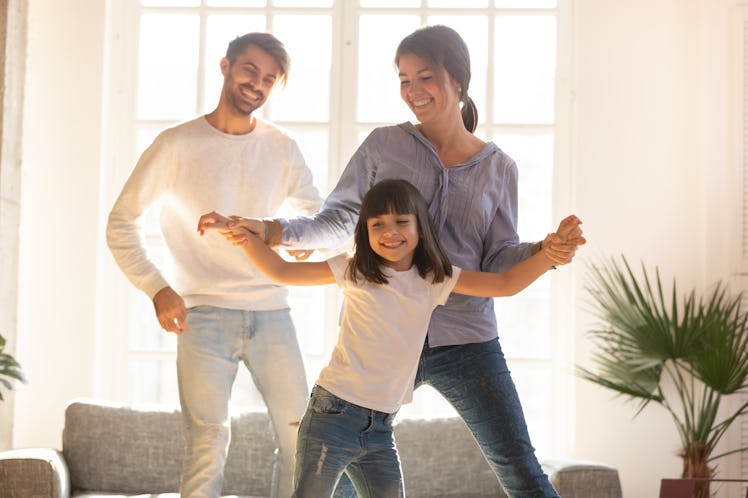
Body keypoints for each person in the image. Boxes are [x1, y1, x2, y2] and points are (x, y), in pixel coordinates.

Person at [199, 24, 586, 498]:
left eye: (425, 77)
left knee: (519, 467)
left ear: (457, 80)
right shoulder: (385, 146)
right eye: (404, 79)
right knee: (339, 469)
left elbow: (499, 260)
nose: (413, 91)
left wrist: (546, 252)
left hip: (466, 340)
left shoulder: (498, 167)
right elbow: (343, 218)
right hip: (381, 336)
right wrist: (273, 231)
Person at [203, 179, 581, 498]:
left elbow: (504, 283)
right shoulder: (354, 270)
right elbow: (282, 270)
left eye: (402, 221)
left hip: (379, 430)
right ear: (365, 234)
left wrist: (549, 254)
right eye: (377, 225)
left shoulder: (435, 279)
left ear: (420, 229)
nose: (390, 232)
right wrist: (241, 234)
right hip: (331, 417)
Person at [106, 32, 325, 498]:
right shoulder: (176, 144)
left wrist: (273, 231)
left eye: (269, 79)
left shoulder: (281, 147)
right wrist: (157, 287)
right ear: (225, 67)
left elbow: (317, 224)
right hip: (201, 313)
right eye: (250, 70)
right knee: (207, 441)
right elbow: (121, 221)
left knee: (300, 439)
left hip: (272, 311)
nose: (257, 84)